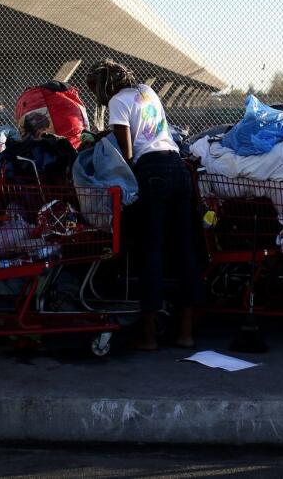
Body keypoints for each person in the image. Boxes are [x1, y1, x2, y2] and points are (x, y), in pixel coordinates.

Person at [85, 60, 202, 350]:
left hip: (152, 173)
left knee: (151, 252)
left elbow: (126, 151)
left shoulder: (116, 101)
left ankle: (148, 337)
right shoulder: (147, 91)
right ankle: (186, 333)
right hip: (177, 167)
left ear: (105, 86)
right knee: (186, 251)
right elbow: (152, 132)